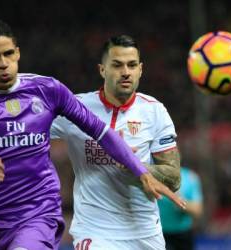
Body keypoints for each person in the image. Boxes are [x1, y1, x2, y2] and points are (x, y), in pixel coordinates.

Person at [0, 21, 185, 250]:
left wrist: (140, 170)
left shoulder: (49, 91)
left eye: (8, 53)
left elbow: (102, 132)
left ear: (18, 53)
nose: (3, 63)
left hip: (40, 214)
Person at [50, 35, 182, 250]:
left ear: (140, 69)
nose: (125, 72)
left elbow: (174, 178)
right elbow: (30, 129)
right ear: (102, 70)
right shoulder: (76, 108)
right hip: (94, 230)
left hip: (144, 230)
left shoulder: (154, 111)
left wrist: (135, 166)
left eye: (131, 65)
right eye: (117, 65)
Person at [158, 166, 203, 250]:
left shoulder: (190, 177)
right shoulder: (152, 174)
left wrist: (180, 202)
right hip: (158, 233)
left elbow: (197, 210)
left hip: (183, 235)